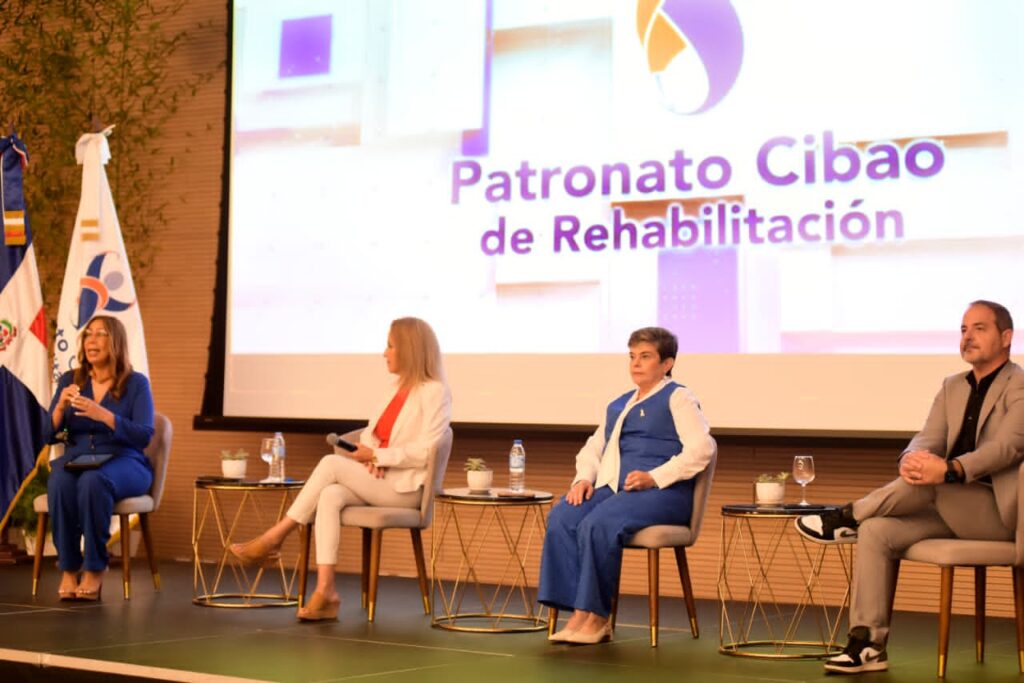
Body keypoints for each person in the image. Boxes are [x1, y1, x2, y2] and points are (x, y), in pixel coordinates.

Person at [796, 300, 1024, 674]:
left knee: (934, 484)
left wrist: (950, 469)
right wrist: (911, 459)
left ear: (1006, 337)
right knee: (876, 530)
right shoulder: (952, 386)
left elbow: (1009, 446)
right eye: (963, 329)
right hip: (950, 509)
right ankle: (867, 645)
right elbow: (927, 437)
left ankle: (848, 515)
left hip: (998, 516)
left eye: (979, 328)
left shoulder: (1019, 385)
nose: (968, 336)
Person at [230, 317, 451, 621]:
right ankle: (327, 592)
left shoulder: (435, 392)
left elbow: (428, 451)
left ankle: (273, 538)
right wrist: (369, 455)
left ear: (410, 349)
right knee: (330, 495)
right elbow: (371, 434)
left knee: (331, 463)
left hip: (406, 489)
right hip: (379, 481)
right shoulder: (394, 389)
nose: (384, 353)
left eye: (390, 346)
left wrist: (379, 456)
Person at [538, 326, 716, 644]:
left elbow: (702, 449)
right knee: (563, 515)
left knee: (597, 522)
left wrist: (654, 477)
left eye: (645, 356)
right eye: (632, 356)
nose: (636, 363)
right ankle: (578, 613)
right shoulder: (619, 404)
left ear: (667, 363)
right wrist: (583, 479)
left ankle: (597, 618)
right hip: (615, 490)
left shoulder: (679, 397)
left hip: (663, 493)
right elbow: (594, 448)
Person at [47, 315, 155, 601]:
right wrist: (59, 408)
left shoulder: (136, 383)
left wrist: (105, 416)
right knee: (59, 481)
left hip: (126, 460)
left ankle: (95, 567)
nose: (91, 340)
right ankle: (69, 567)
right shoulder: (71, 380)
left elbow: (144, 435)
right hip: (79, 458)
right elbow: (49, 434)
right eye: (88, 334)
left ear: (115, 342)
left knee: (93, 481)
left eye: (100, 334)